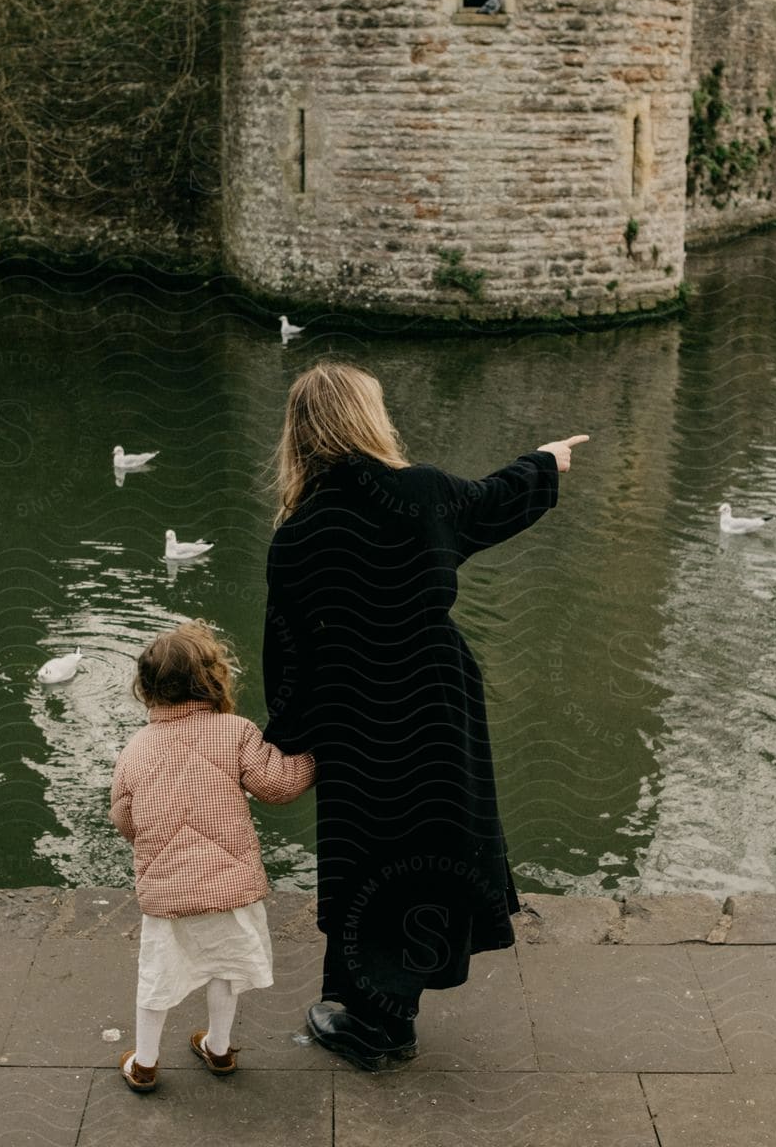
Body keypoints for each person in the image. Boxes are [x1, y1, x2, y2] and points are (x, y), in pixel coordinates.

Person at [261, 359, 585, 1070]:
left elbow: (287, 655)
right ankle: (389, 1011)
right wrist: (546, 462)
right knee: (430, 843)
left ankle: (379, 1023)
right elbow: (493, 500)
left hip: (353, 711)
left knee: (367, 856)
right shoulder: (422, 494)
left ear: (300, 433)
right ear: (366, 418)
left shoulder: (295, 536)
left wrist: (290, 738)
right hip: (435, 700)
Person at [109, 620, 316, 1093]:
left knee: (157, 977)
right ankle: (218, 1049)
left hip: (168, 891)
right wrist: (314, 757)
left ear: (146, 689)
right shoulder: (236, 732)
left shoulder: (136, 749)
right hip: (231, 886)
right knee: (225, 968)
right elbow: (277, 785)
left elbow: (124, 817)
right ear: (214, 679)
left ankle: (144, 1063)